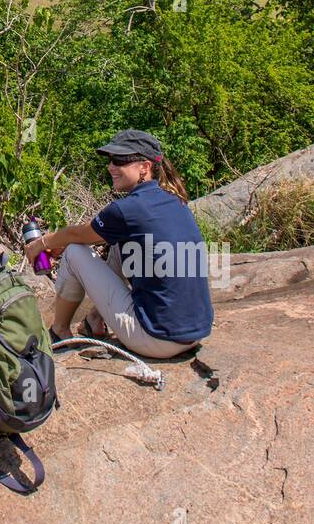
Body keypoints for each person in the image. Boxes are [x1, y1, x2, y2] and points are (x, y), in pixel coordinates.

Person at [24, 129, 213, 359]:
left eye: (119, 160)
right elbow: (90, 233)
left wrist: (41, 243)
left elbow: (76, 234)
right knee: (119, 245)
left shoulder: (127, 210)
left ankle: (58, 331)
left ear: (145, 167)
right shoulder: (175, 200)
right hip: (195, 333)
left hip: (157, 339)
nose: (110, 167)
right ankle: (95, 319)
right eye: (110, 160)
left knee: (74, 252)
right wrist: (62, 240)